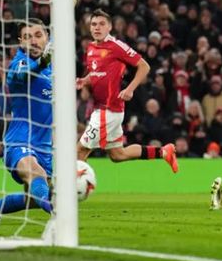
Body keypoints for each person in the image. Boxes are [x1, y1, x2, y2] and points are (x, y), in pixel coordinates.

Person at [0, 19, 54, 219]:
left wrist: (70, 2)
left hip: (45, 147)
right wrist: (43, 62)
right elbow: (26, 74)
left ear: (47, 38)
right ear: (20, 41)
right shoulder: (18, 64)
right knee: (36, 174)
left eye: (38, 36)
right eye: (28, 37)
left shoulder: (50, 61)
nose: (33, 41)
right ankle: (60, 215)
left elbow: (62, 25)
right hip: (19, 142)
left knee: (31, 199)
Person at [76, 9, 177, 172]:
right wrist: (85, 80)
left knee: (79, 150)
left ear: (109, 27)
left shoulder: (116, 46)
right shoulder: (91, 48)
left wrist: (130, 89)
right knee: (118, 154)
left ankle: (74, 191)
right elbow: (97, 73)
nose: (97, 28)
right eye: (94, 24)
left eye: (102, 24)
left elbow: (144, 66)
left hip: (108, 110)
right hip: (104, 109)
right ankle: (164, 152)